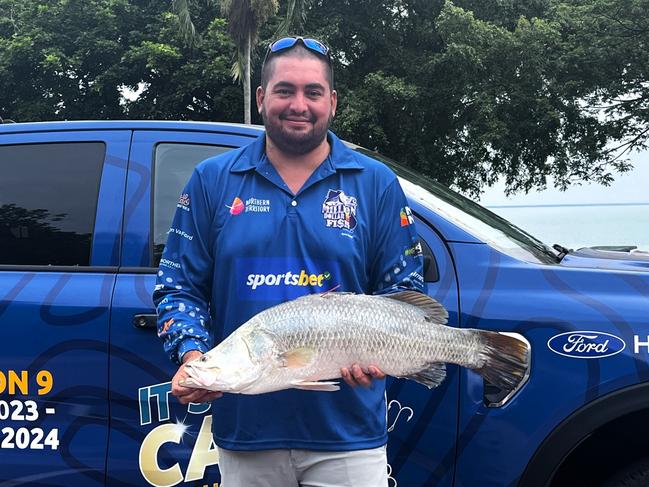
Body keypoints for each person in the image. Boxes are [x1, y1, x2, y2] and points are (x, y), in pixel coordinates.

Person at [153, 36, 424, 487]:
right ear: (262, 98)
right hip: (247, 433)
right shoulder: (212, 181)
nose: (299, 104)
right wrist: (195, 356)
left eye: (312, 92)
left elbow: (405, 291)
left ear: (332, 102)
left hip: (350, 435)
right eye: (285, 91)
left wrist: (379, 352)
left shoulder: (375, 183)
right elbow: (179, 285)